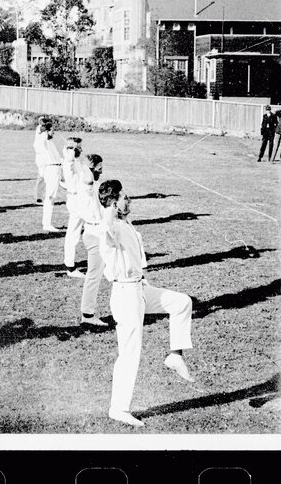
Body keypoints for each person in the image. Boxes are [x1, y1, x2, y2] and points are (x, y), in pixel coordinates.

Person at [96, 179, 195, 427]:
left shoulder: (125, 224)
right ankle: (118, 408)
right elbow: (107, 226)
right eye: (125, 197)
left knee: (182, 302)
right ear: (114, 203)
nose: (130, 200)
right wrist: (109, 205)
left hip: (139, 287)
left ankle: (175, 355)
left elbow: (132, 260)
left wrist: (143, 281)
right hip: (125, 295)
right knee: (130, 353)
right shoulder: (111, 227)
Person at [76, 154, 108, 327]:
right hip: (95, 233)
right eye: (98, 168)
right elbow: (88, 177)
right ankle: (87, 315)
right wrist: (86, 164)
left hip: (99, 231)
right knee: (94, 276)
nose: (101, 171)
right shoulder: (86, 184)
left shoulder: (93, 184)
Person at [60, 137, 86, 279]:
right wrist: (70, 148)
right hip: (76, 200)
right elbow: (68, 162)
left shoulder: (76, 161)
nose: (81, 150)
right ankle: (70, 266)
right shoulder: (69, 161)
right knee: (73, 233)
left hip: (80, 198)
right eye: (78, 148)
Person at [34, 117, 64, 232]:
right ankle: (47, 224)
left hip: (56, 169)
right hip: (51, 170)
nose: (54, 132)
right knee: (50, 198)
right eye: (52, 130)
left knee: (51, 197)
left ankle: (47, 223)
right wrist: (43, 127)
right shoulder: (42, 141)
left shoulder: (49, 142)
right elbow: (39, 135)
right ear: (47, 131)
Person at [33, 118, 48, 204]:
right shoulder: (40, 129)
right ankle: (38, 197)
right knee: (41, 176)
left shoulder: (43, 131)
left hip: (45, 157)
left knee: (45, 177)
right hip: (41, 157)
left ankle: (42, 196)